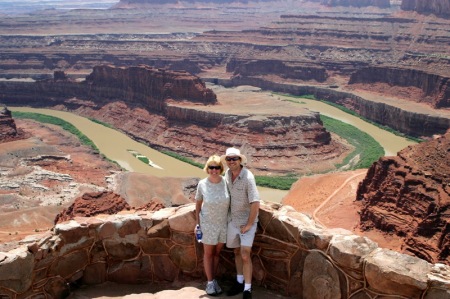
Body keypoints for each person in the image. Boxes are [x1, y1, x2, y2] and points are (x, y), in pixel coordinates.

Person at [221, 147, 260, 299]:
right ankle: (239, 282)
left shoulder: (248, 178)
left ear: (240, 160)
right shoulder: (227, 174)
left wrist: (249, 224)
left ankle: (247, 289)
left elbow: (255, 202)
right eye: (229, 159)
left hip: (246, 223)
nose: (231, 162)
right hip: (232, 221)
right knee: (236, 252)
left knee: (245, 254)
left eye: (234, 159)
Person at [195, 154, 230, 296]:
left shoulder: (226, 183)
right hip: (208, 224)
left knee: (217, 253)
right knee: (208, 254)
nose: (214, 170)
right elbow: (197, 204)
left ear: (221, 169)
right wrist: (198, 223)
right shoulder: (202, 184)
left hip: (223, 224)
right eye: (211, 167)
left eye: (217, 167)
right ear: (207, 168)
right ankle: (209, 283)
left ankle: (213, 279)